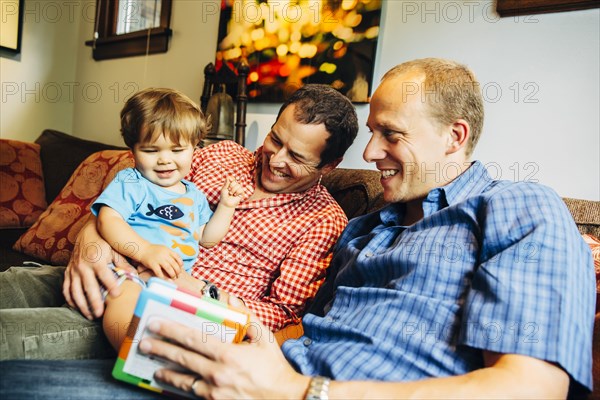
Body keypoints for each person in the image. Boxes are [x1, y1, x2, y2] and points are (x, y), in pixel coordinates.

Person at [2, 57, 592, 398]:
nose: (376, 152)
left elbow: (531, 389)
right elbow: (297, 330)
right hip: (235, 358)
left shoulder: (519, 209)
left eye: (392, 135)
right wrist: (93, 238)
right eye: (374, 133)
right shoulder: (369, 228)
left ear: (455, 137)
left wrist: (296, 389)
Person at [0, 84, 359, 359]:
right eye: (274, 139)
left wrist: (200, 291)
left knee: (11, 336)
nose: (275, 159)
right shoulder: (222, 154)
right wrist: (89, 243)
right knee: (12, 283)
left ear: (330, 165)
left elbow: (282, 313)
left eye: (295, 156)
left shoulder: (323, 222)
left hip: (163, 309)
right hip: (110, 265)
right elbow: (134, 190)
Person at [92, 88, 244, 350]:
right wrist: (145, 251)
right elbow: (108, 220)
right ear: (133, 151)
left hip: (172, 280)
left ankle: (207, 351)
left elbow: (206, 239)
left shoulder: (193, 194)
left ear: (194, 148)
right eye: (151, 150)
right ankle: (134, 351)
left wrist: (227, 206)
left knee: (227, 305)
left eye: (177, 149)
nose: (164, 160)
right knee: (125, 294)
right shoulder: (132, 181)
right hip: (126, 269)